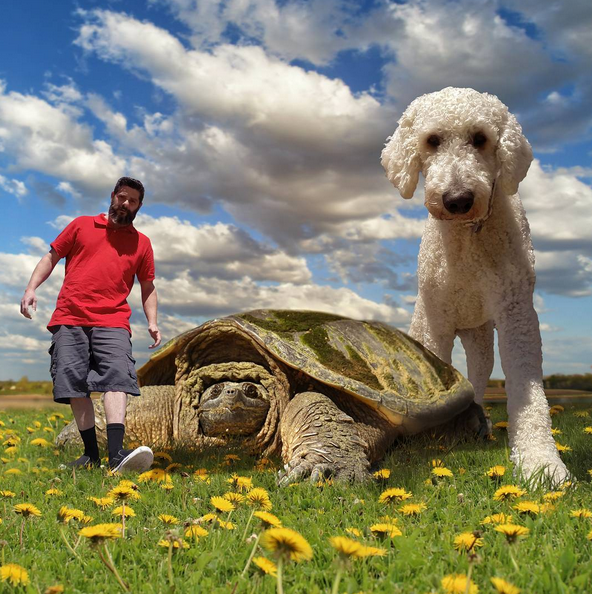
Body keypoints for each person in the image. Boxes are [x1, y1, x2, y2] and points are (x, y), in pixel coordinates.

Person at [20, 177, 161, 473]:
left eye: (132, 201)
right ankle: (90, 455)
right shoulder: (81, 225)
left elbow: (147, 286)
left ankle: (116, 454)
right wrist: (31, 288)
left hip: (113, 320)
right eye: (122, 197)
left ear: (138, 206)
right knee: (74, 383)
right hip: (69, 317)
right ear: (112, 196)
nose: (125, 204)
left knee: (117, 378)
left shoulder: (142, 243)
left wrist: (152, 321)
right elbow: (51, 257)